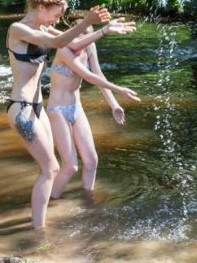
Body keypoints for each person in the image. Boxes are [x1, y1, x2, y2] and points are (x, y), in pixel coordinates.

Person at [7, 0, 115, 229]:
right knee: (51, 168)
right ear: (42, 6)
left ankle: (39, 224)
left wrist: (105, 30)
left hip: (37, 107)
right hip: (21, 107)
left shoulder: (44, 27)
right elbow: (59, 44)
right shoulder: (18, 29)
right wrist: (87, 20)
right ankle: (39, 233)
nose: (58, 20)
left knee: (52, 169)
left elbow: (74, 43)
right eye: (56, 14)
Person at [47, 22, 140, 200]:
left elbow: (98, 74)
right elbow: (89, 77)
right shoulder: (64, 49)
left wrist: (114, 104)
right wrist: (120, 90)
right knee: (70, 167)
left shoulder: (90, 46)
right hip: (57, 110)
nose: (81, 44)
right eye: (78, 39)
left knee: (91, 161)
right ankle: (50, 202)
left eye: (85, 39)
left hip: (76, 108)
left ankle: (88, 201)